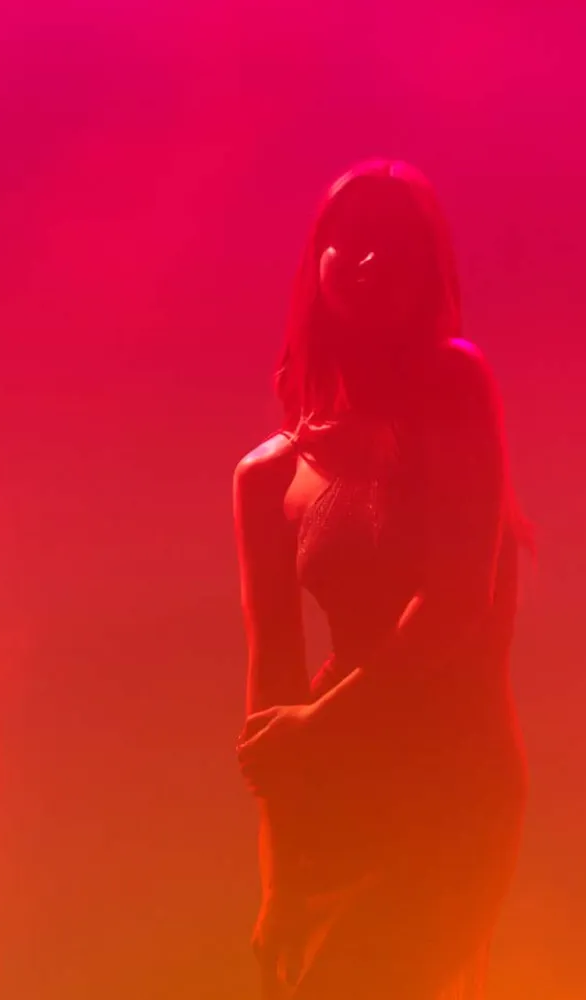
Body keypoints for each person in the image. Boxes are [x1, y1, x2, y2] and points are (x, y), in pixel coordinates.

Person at [234, 159, 528, 1000]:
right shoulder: (266, 477)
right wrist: (280, 886)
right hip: (345, 799)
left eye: (396, 245)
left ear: (428, 272)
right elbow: (271, 701)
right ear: (316, 261)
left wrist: (320, 724)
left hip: (455, 786)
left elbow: (455, 604)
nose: (369, 260)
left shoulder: (456, 388)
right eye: (351, 238)